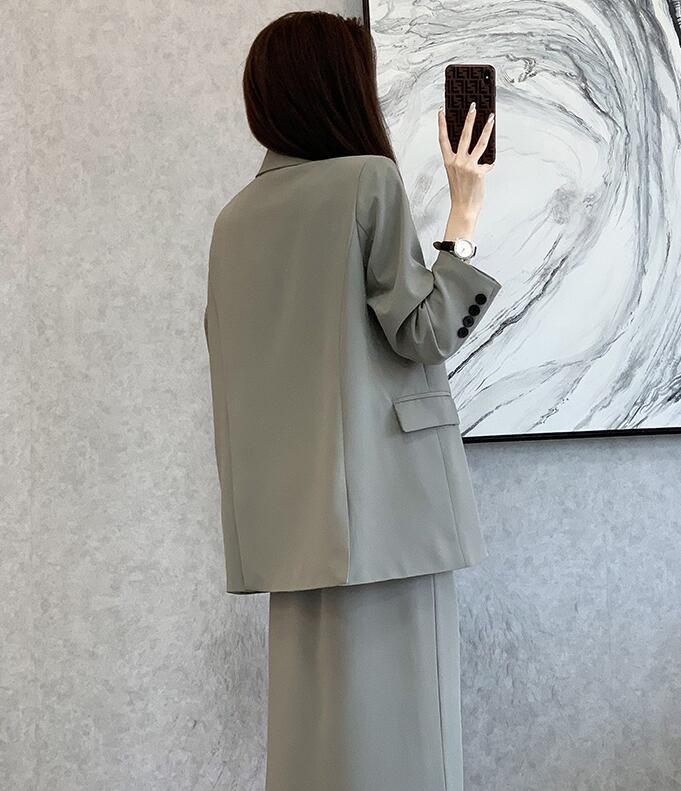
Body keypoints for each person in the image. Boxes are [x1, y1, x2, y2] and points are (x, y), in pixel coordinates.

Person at [203, 10, 501, 791]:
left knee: (317, 747)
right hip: (391, 512)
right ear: (342, 86)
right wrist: (464, 215)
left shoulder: (234, 220)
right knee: (411, 745)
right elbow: (424, 330)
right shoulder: (366, 180)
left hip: (293, 528)